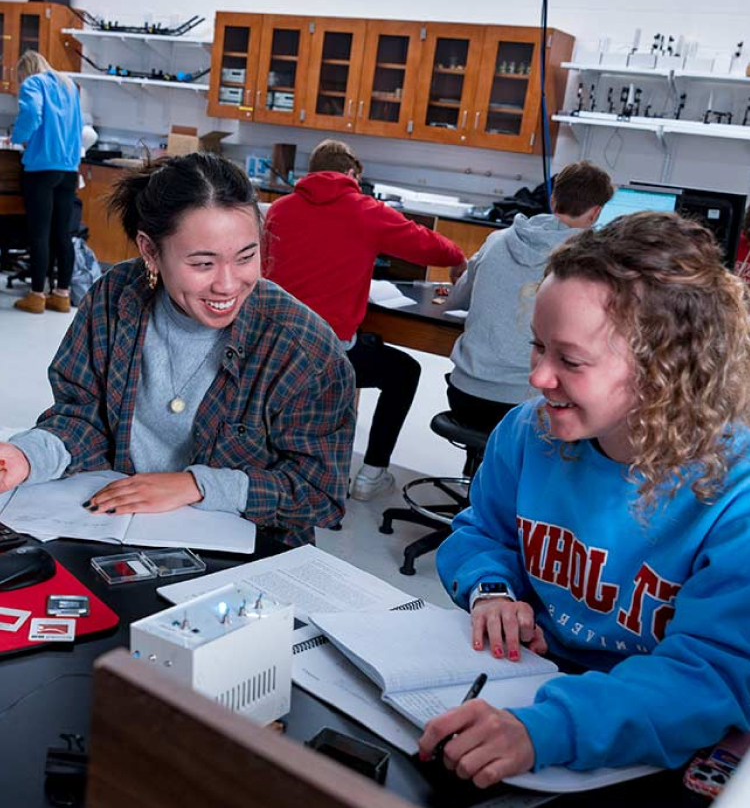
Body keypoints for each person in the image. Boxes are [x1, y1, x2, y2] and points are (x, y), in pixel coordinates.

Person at [419, 212, 750, 784]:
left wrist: (546, 730)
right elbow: (480, 532)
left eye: (569, 360)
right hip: (531, 681)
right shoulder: (529, 431)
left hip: (643, 738)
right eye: (538, 347)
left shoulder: (734, 488)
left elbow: (710, 675)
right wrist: (491, 589)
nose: (541, 377)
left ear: (664, 371)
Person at [0, 153, 355, 548]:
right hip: (113, 528)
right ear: (150, 251)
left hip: (241, 549)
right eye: (203, 263)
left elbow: (319, 494)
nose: (227, 285)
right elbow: (84, 419)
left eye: (246, 257)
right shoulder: (113, 297)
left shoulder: (303, 348)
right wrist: (26, 456)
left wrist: (197, 486)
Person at [264, 138, 466, 500]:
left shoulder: (279, 209)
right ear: (351, 173)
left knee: (368, 347)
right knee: (405, 372)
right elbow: (432, 246)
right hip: (328, 352)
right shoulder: (365, 210)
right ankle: (371, 474)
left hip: (272, 346)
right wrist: (460, 259)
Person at [444, 161, 613, 432]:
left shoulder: (497, 240)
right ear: (596, 213)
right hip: (527, 403)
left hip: (465, 394)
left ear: (553, 198)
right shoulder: (592, 262)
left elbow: (455, 301)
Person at [11, 50, 83, 315]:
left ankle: (37, 295)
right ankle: (62, 295)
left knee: (39, 233)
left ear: (25, 71)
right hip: (68, 168)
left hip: (41, 167)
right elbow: (79, 126)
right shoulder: (68, 86)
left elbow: (31, 112)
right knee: (62, 233)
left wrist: (18, 137)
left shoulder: (33, 83)